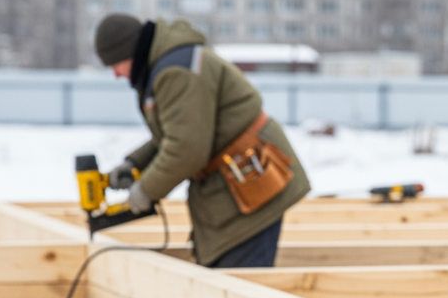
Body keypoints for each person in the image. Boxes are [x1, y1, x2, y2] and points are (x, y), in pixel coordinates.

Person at [94, 14, 310, 268]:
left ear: (128, 53)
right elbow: (179, 133)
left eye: (115, 65)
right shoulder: (170, 63)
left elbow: (187, 149)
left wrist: (146, 191)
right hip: (236, 182)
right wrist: (134, 163)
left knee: (239, 289)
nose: (116, 75)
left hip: (251, 183)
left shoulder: (175, 72)